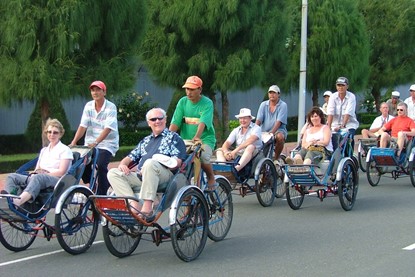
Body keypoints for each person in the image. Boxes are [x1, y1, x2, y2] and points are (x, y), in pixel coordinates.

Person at [107, 108, 186, 219]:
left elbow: (177, 162)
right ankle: (133, 204)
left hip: (165, 176)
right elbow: (129, 157)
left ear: (165, 120)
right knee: (113, 173)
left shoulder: (174, 138)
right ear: (149, 123)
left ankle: (147, 207)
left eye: (160, 118)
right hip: (142, 176)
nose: (157, 121)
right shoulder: (145, 140)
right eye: (153, 119)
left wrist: (162, 160)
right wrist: (123, 164)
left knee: (150, 163)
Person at [3, 119, 73, 206]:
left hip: (56, 180)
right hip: (40, 177)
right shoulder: (44, 150)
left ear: (61, 134)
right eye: (49, 132)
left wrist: (45, 174)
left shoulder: (65, 150)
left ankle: (18, 202)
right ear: (46, 133)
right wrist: (35, 173)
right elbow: (37, 169)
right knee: (11, 177)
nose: (52, 135)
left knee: (38, 178)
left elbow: (62, 172)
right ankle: (11, 198)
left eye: (55, 132)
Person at [70, 80, 119, 195]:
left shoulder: (111, 107)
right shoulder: (88, 106)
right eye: (93, 90)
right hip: (90, 143)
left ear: (104, 92)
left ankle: (102, 192)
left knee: (101, 164)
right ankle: (92, 184)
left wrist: (96, 142)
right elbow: (83, 126)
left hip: (108, 143)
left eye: (98, 90)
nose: (95, 92)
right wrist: (74, 141)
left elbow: (108, 128)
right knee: (80, 161)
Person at [169, 75, 217, 190]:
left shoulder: (207, 103)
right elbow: (175, 122)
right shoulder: (182, 102)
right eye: (187, 89)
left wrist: (197, 136)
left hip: (204, 139)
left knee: (203, 157)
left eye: (192, 89)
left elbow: (203, 121)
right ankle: (189, 195)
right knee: (180, 162)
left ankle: (211, 177)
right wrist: (167, 137)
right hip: (186, 140)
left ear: (199, 90)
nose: (188, 92)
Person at [255, 85, 288, 161]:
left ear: (278, 94)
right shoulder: (263, 105)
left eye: (274, 93)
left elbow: (279, 122)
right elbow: (259, 120)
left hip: (278, 130)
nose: (272, 95)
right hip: (264, 130)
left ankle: (276, 158)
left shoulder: (283, 105)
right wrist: (254, 130)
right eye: (270, 93)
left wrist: (271, 133)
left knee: (280, 137)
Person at [326, 77, 359, 149]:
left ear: (347, 86)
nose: (340, 87)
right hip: (334, 125)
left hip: (349, 124)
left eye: (343, 85)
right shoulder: (332, 97)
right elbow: (330, 112)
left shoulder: (351, 96)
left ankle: (350, 155)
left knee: (348, 138)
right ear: (336, 86)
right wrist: (329, 127)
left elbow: (348, 113)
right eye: (338, 85)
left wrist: (343, 125)